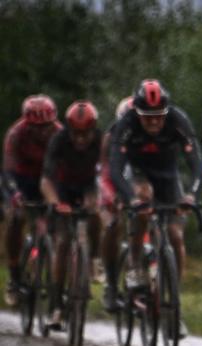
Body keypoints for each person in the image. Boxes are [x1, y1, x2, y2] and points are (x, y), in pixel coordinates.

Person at [109, 79, 202, 336]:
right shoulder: (126, 123)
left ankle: (174, 302)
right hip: (138, 176)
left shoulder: (178, 120)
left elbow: (196, 162)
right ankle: (136, 264)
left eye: (158, 118)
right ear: (136, 114)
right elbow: (115, 168)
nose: (153, 123)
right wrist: (130, 199)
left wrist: (192, 195)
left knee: (175, 235)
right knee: (143, 196)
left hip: (168, 177)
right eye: (147, 118)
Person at [39, 100, 102, 328]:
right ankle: (56, 305)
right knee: (63, 242)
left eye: (86, 134)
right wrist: (55, 202)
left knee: (95, 215)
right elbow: (46, 178)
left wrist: (95, 200)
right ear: (69, 129)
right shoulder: (59, 140)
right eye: (76, 133)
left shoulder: (100, 141)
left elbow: (104, 175)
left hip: (88, 187)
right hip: (62, 189)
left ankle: (94, 259)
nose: (81, 139)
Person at [2, 95, 62, 306]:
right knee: (16, 218)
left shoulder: (59, 133)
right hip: (20, 179)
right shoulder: (15, 134)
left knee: (56, 219)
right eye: (36, 127)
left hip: (47, 178)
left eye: (45, 126)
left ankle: (55, 276)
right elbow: (7, 170)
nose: (42, 131)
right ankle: (14, 272)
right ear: (27, 123)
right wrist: (15, 194)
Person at [99, 96, 134, 311]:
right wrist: (112, 197)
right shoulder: (110, 137)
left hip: (138, 181)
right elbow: (105, 173)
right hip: (114, 182)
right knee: (113, 225)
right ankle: (111, 283)